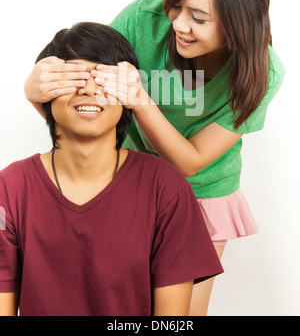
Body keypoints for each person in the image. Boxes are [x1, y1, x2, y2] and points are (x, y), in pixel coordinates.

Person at [24, 0, 285, 316]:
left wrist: (140, 100)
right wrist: (36, 93)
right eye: (175, 5)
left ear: (239, 21)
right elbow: (84, 109)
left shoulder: (264, 71)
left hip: (203, 193)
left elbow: (191, 162)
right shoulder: (142, 20)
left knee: (183, 313)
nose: (179, 24)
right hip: (129, 179)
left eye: (198, 18)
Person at [0, 23, 223, 317]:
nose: (91, 89)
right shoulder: (9, 188)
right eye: (75, 77)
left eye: (105, 78)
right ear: (44, 91)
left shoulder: (166, 189)